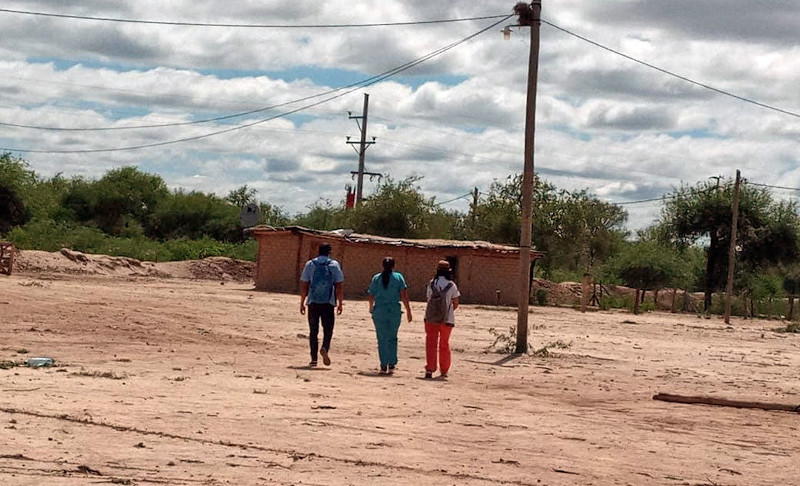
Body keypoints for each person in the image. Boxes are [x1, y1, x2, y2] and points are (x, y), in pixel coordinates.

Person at [300, 243, 344, 367]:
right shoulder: (334, 265)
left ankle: (314, 359)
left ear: (318, 251)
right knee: (328, 329)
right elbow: (339, 286)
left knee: (313, 331)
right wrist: (340, 303)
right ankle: (325, 347)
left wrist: (302, 302)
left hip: (313, 302)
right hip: (328, 303)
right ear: (329, 252)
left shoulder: (310, 264)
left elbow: (304, 284)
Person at [367, 257, 413, 374]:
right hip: (394, 312)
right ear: (393, 266)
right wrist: (408, 310)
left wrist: (371, 308)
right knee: (393, 337)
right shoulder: (398, 277)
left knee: (381, 338)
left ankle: (383, 364)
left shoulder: (376, 278)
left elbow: (371, 295)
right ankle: (392, 363)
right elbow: (403, 295)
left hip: (380, 312)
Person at [423, 260, 460, 379]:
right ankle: (444, 370)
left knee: (431, 343)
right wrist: (446, 312)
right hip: (447, 320)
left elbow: (428, 299)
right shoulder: (452, 285)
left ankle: (430, 369)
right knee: (444, 344)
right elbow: (456, 303)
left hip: (431, 319)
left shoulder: (432, 284)